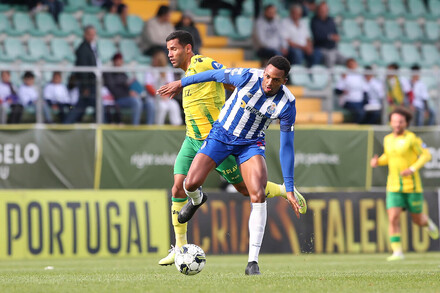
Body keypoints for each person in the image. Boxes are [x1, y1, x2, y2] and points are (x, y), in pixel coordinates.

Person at [156, 31, 306, 269]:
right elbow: (217, 75)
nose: (268, 82)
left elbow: (287, 146)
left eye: (275, 80)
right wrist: (180, 83)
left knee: (254, 193)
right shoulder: (247, 76)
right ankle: (194, 204)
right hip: (220, 136)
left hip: (251, 143)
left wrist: (289, 184)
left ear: (284, 81)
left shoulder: (287, 104)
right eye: (266, 76)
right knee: (189, 184)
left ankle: (252, 262)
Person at [370, 107, 438, 261]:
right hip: (393, 186)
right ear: (391, 122)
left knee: (417, 220)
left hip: (412, 186)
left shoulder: (412, 139)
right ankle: (397, 252)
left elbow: (426, 155)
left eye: (400, 121)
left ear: (406, 123)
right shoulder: (388, 139)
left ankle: (428, 224)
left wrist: (412, 169)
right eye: (394, 121)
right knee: (393, 217)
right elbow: (388, 157)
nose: (397, 124)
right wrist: (378, 161)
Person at [65, 25, 99, 124]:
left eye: (93, 34)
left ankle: (67, 124)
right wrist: (85, 86)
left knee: (83, 107)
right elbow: (83, 70)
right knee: (82, 106)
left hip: (90, 83)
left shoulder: (90, 48)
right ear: (85, 34)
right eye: (90, 34)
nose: (92, 36)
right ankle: (66, 124)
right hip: (87, 84)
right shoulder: (83, 49)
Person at [103, 53, 142, 125]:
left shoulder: (122, 73)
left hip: (126, 97)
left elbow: (128, 85)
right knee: (136, 102)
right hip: (118, 99)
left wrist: (131, 91)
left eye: (121, 61)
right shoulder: (109, 73)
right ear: (114, 61)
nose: (120, 62)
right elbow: (113, 90)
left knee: (148, 103)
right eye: (118, 60)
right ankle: (135, 126)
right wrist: (128, 93)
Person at [144, 50, 182, 125]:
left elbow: (170, 85)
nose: (153, 61)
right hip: (154, 97)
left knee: (174, 106)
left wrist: (166, 95)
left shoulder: (167, 69)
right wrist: (159, 94)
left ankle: (176, 126)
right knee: (162, 107)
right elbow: (148, 86)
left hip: (165, 96)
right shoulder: (150, 70)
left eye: (155, 59)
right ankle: (159, 126)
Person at [310, 2, 346, 67]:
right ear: (318, 10)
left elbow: (335, 33)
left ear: (327, 10)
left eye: (324, 10)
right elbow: (317, 36)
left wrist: (336, 37)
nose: (322, 12)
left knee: (347, 60)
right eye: (321, 10)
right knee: (330, 58)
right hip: (322, 48)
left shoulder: (331, 20)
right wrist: (330, 37)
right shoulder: (314, 21)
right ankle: (330, 77)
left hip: (333, 48)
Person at [335, 58, 366, 124]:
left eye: (354, 64)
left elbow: (364, 89)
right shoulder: (345, 76)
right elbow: (337, 90)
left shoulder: (360, 76)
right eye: (351, 64)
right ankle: (355, 127)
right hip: (349, 101)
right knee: (360, 113)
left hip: (359, 101)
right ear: (347, 65)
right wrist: (343, 91)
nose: (353, 65)